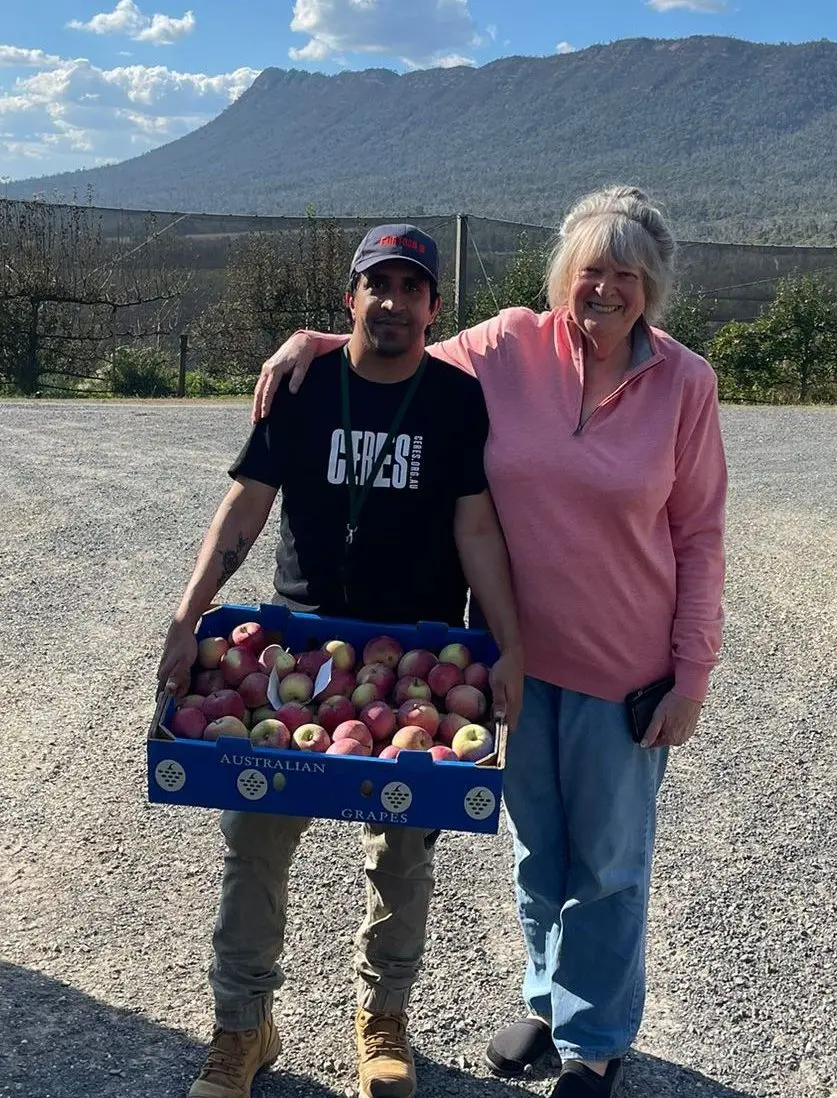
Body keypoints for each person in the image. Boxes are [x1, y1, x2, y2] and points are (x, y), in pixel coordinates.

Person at [251, 186, 727, 1098]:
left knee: (609, 861)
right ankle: (548, 998)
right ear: (564, 277)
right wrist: (309, 342)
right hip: (505, 659)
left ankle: (595, 1041)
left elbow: (700, 533)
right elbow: (396, 354)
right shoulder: (511, 344)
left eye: (627, 275)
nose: (606, 290)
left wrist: (691, 672)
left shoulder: (683, 384)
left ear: (651, 288)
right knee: (537, 849)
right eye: (592, 270)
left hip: (626, 664)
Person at [158, 223, 524, 1098]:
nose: (393, 302)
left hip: (420, 657)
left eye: (411, 287)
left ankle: (382, 1019)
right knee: (255, 842)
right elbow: (244, 508)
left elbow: (476, 528)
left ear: (435, 307)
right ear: (349, 299)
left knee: (403, 850)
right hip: (299, 646)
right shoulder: (303, 385)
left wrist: (509, 646)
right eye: (378, 285)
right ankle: (242, 1028)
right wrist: (187, 616)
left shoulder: (455, 401)